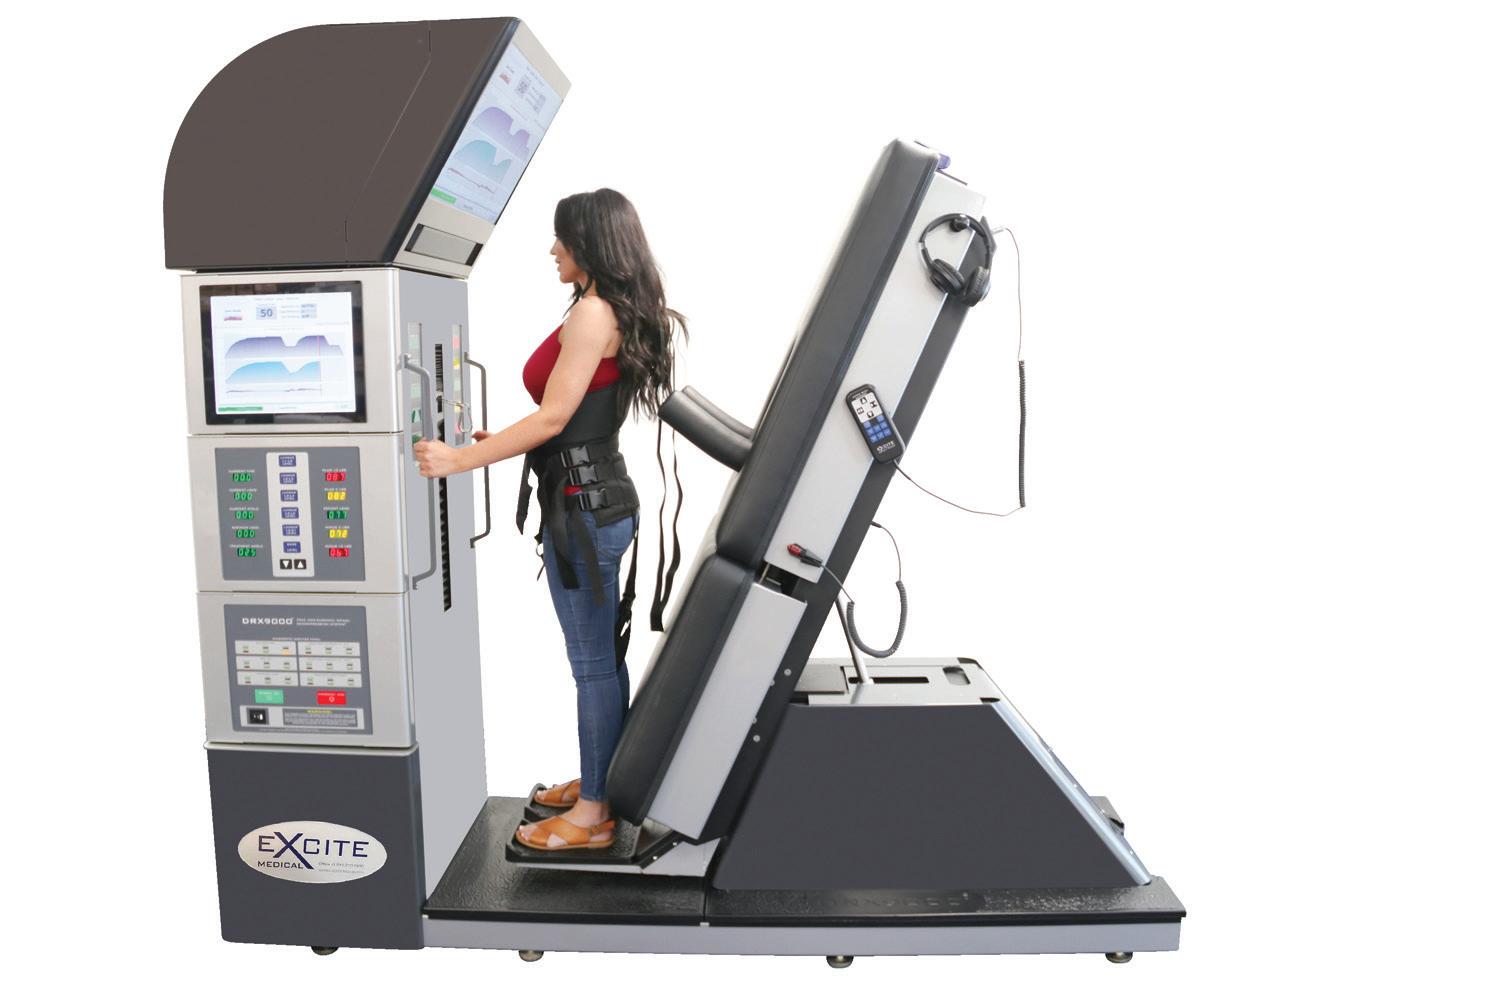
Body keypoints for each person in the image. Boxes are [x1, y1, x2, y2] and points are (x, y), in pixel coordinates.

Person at [414, 188, 685, 852]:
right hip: (595, 501)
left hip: (585, 513)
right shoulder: (609, 308)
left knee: (593, 665)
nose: (553, 249)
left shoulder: (593, 312)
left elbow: (553, 418)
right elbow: (571, 418)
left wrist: (459, 460)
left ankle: (594, 815)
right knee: (602, 660)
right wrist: (497, 442)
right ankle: (602, 783)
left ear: (588, 242)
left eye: (561, 237)